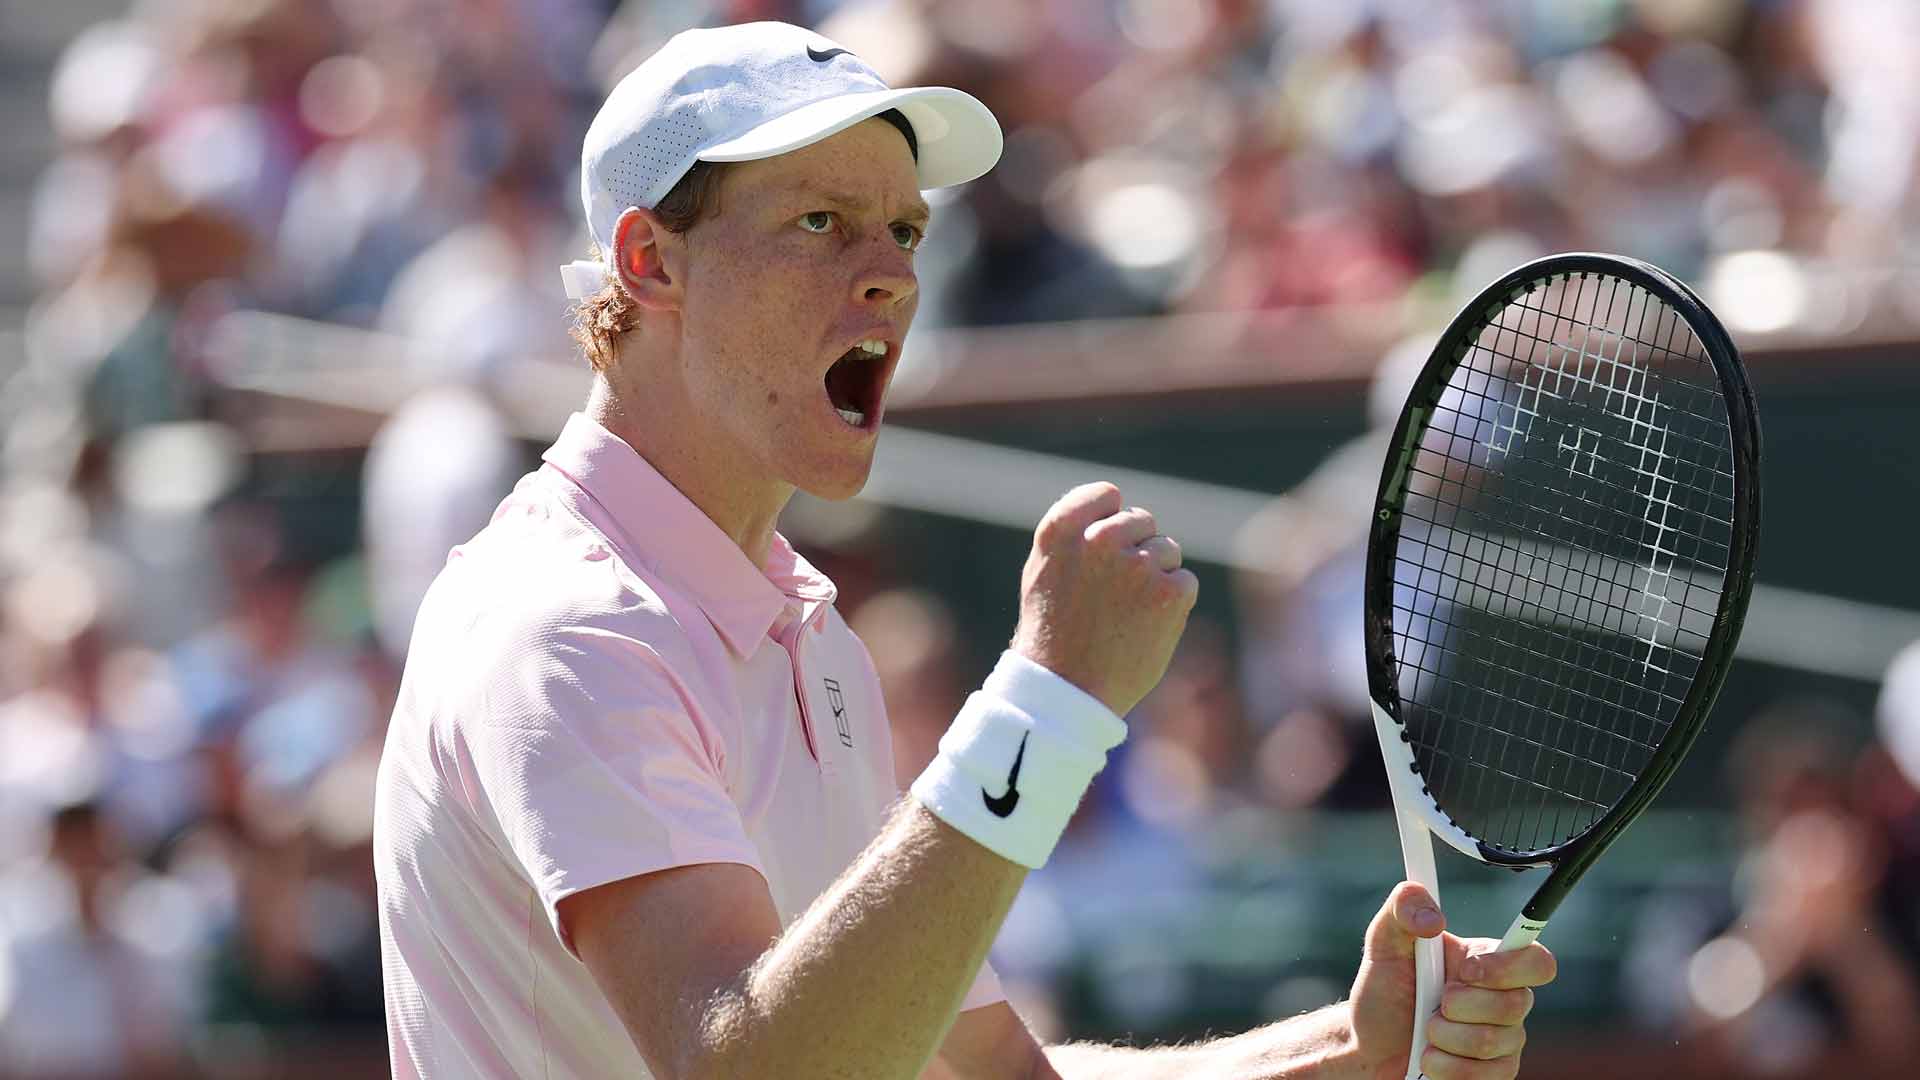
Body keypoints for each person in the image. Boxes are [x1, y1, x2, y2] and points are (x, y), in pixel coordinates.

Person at [372, 21, 1554, 1079]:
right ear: (651, 262)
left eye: (903, 230)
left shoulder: (804, 634)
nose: (891, 274)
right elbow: (749, 1067)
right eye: (819, 223)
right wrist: (1048, 704)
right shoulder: (569, 630)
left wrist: (1341, 1056)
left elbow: (985, 1073)